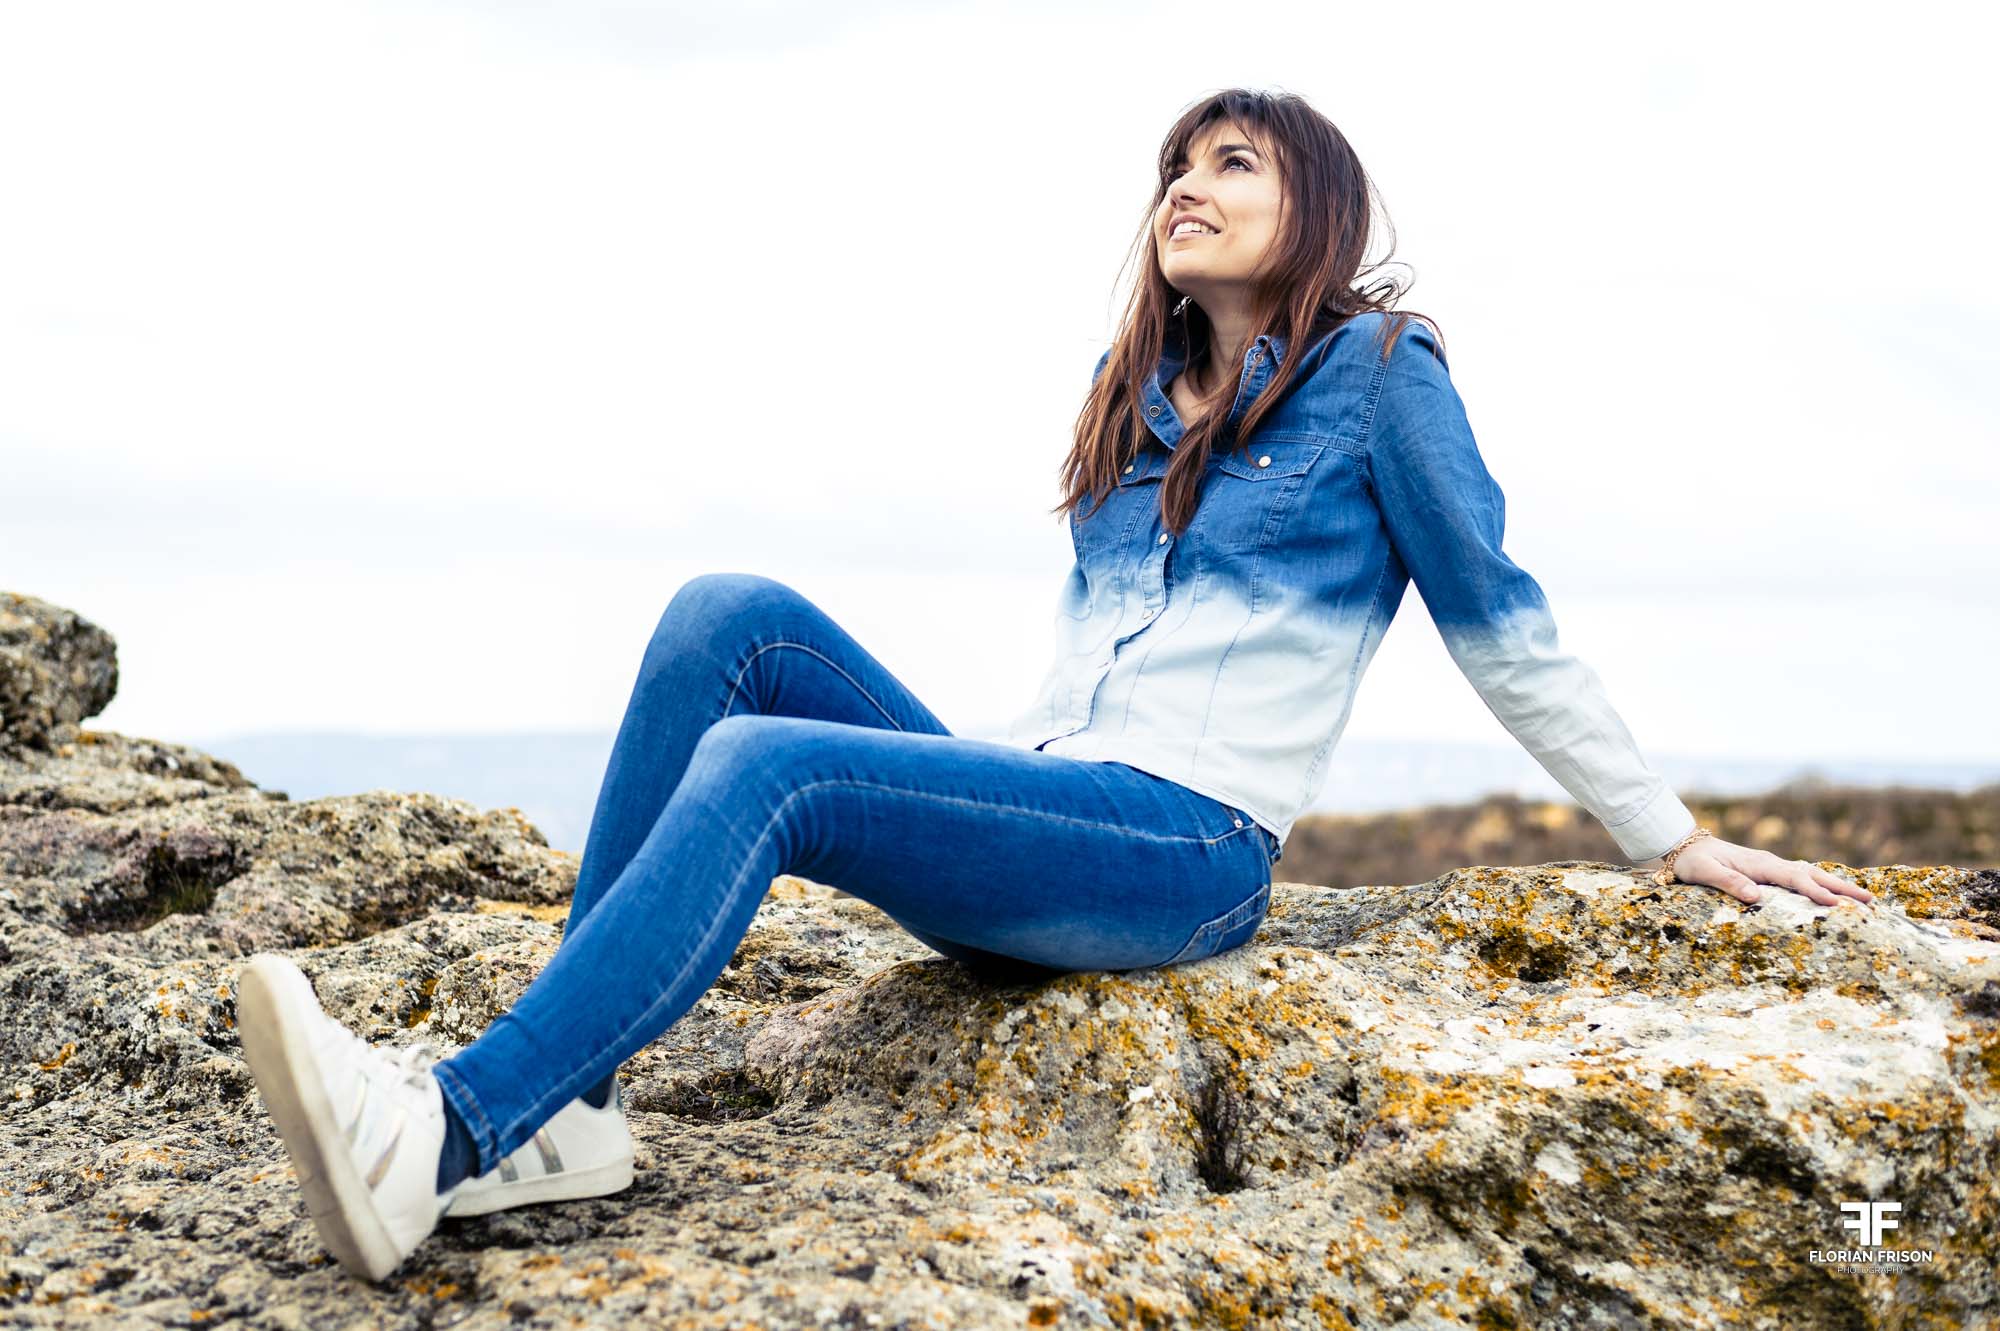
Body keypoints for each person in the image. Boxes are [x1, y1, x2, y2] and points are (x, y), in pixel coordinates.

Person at [233, 87, 1875, 1284]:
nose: (1187, 184)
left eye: (1233, 163)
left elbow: (1501, 613)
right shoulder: (1138, 392)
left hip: (1181, 850)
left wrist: (1661, 834)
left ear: (1321, 207)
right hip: (1055, 794)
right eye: (1173, 165)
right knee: (725, 617)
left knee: (763, 765)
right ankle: (567, 1113)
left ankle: (447, 1134)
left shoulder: (1385, 376)